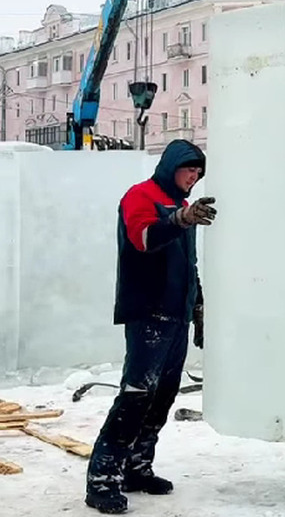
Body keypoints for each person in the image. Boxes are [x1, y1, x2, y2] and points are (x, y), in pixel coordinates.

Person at [85, 139, 217, 514]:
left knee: (162, 397)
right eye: (188, 168)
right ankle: (102, 479)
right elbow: (142, 238)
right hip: (149, 313)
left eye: (198, 172)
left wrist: (199, 307)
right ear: (170, 165)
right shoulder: (141, 196)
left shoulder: (183, 207)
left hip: (176, 315)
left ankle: (137, 467)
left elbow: (187, 264)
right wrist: (178, 221)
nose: (193, 176)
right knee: (136, 394)